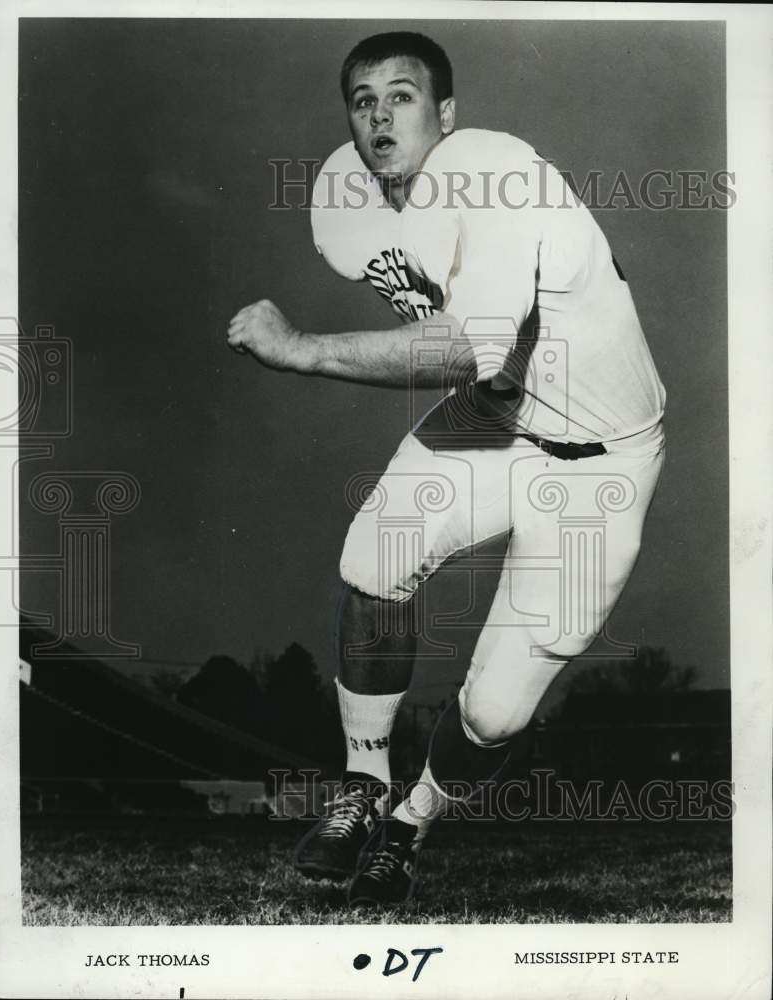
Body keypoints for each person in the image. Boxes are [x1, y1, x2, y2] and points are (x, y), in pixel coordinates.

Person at [227, 31, 666, 907]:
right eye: (362, 100)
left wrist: (304, 350)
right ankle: (362, 786)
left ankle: (410, 824)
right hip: (500, 418)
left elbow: (468, 344)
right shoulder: (346, 202)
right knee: (373, 558)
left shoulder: (490, 167)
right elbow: (456, 324)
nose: (380, 115)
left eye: (402, 95)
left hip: (598, 463)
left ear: (448, 115)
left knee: (495, 713)